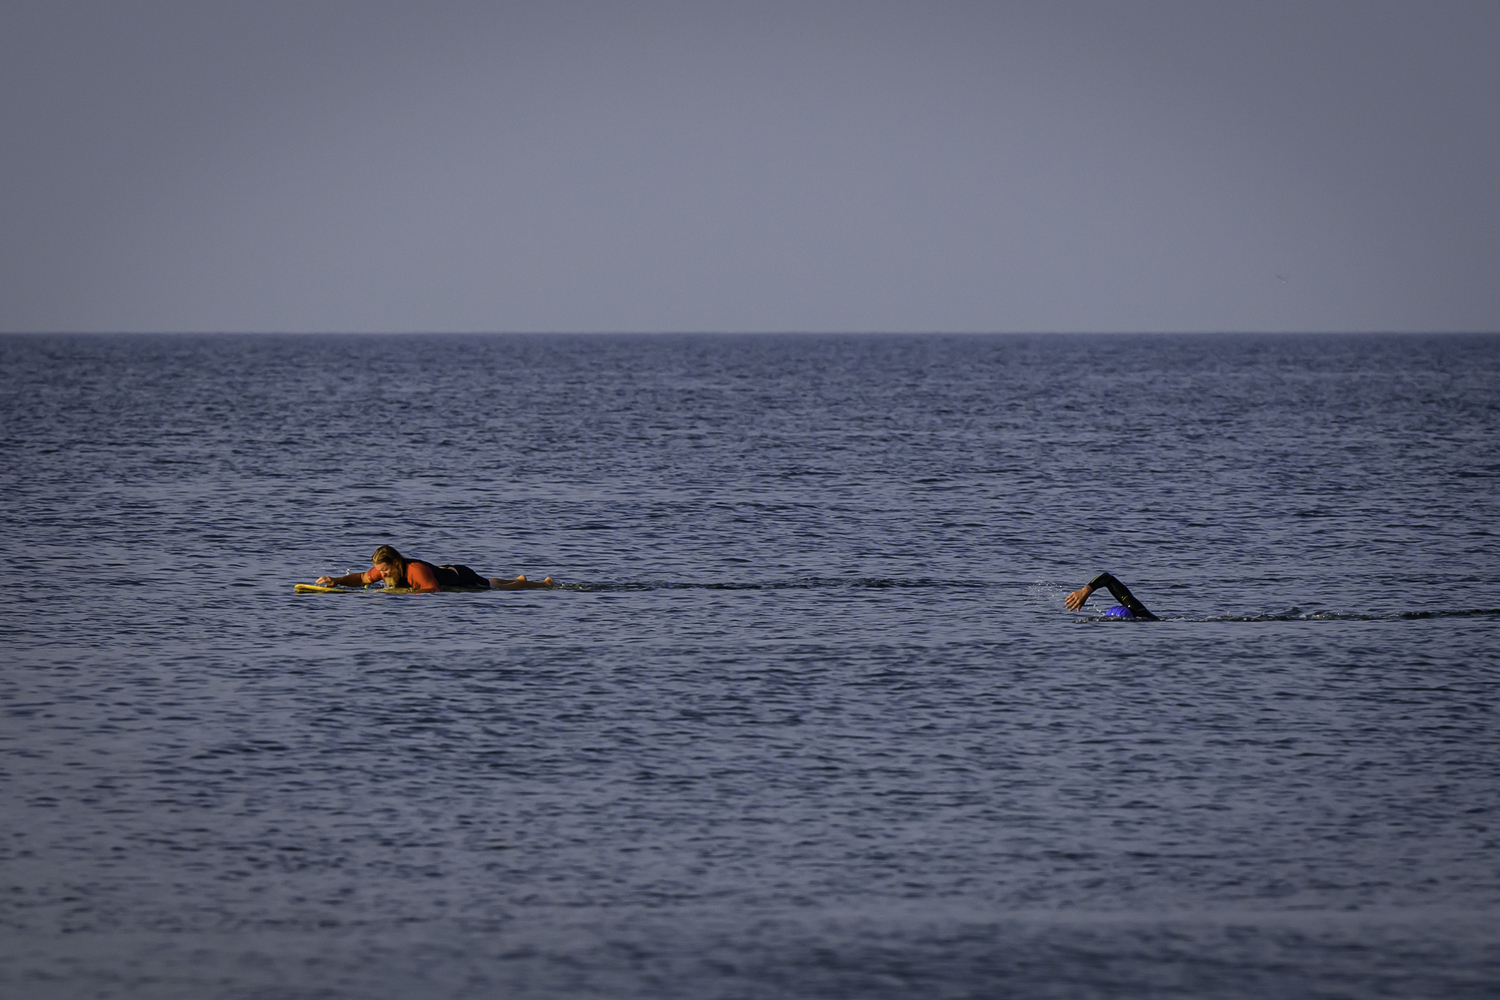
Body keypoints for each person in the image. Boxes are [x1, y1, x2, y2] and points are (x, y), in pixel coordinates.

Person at [316, 545, 555, 592]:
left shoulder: (415, 571)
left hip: (460, 576)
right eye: (380, 571)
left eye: (386, 571)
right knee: (491, 581)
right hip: (444, 569)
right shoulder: (385, 569)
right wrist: (336, 581)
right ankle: (518, 577)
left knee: (492, 587)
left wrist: (398, 592)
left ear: (396, 564)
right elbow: (361, 579)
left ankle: (542, 583)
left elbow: (433, 590)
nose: (382, 575)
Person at [1064, 572, 1158, 620]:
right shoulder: (1142, 614)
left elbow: (1107, 577)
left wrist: (1086, 590)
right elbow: (1108, 578)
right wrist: (1087, 590)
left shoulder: (1140, 613)